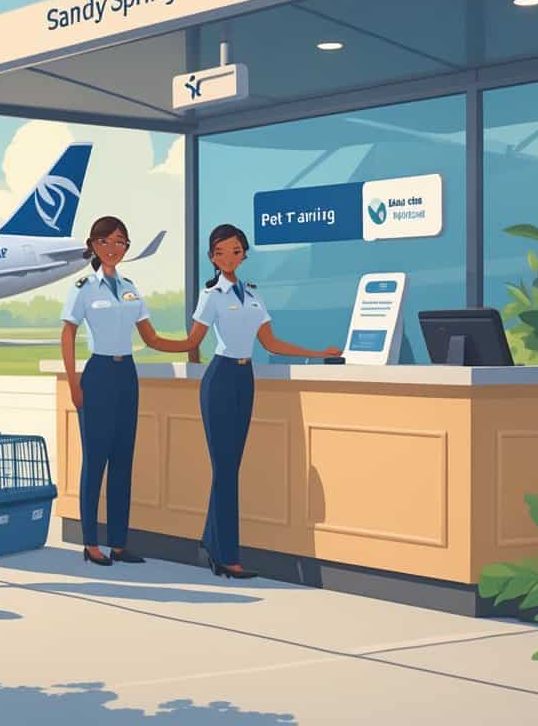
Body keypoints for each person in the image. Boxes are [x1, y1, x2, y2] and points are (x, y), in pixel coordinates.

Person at [151, 223, 341, 579]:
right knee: (225, 470)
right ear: (212, 257)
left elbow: (271, 343)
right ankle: (227, 556)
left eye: (235, 251)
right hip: (219, 379)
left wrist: (318, 352)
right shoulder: (211, 295)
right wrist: (156, 341)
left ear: (243, 254)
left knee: (229, 468)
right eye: (220, 252)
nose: (229, 257)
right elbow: (194, 339)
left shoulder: (253, 294)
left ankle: (211, 541)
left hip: (245, 378)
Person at [61, 216, 158, 567]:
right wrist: (74, 382)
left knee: (122, 462)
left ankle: (118, 542)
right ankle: (90, 543)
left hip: (126, 374)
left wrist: (192, 345)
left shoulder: (131, 287)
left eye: (121, 242)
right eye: (107, 242)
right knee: (95, 461)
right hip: (98, 374)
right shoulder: (84, 286)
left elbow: (150, 336)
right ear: (94, 245)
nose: (114, 249)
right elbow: (68, 334)